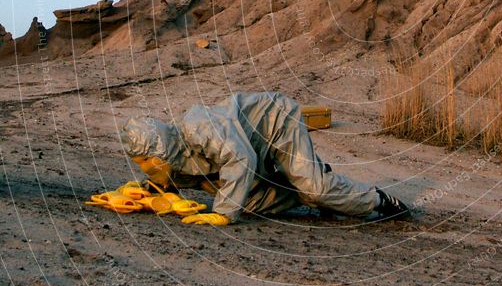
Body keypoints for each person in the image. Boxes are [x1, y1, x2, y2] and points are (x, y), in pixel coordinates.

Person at [119, 91, 412, 225]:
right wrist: (154, 191)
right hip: (251, 148)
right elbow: (180, 179)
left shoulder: (199, 128)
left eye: (145, 161)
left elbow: (241, 159)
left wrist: (223, 213)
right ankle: (307, 192)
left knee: (314, 186)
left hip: (275, 122)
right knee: (254, 203)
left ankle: (377, 201)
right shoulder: (174, 160)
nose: (144, 167)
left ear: (160, 152)